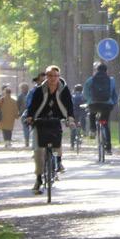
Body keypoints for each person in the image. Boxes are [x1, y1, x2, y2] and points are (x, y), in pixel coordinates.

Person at [26, 66, 74, 194]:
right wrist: (30, 117)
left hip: (56, 120)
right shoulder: (39, 90)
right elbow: (32, 105)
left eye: (55, 76)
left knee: (57, 143)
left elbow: (69, 105)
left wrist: (70, 119)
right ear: (46, 77)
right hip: (40, 121)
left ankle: (58, 162)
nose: (53, 78)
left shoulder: (64, 90)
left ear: (59, 77)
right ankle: (38, 178)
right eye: (50, 76)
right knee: (38, 151)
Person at [83, 62, 118, 153]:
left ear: (97, 70)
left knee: (92, 113)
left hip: (94, 104)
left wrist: (89, 100)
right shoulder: (111, 80)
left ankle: (93, 129)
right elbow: (114, 93)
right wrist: (113, 103)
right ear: (106, 71)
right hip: (107, 105)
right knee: (105, 124)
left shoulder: (91, 79)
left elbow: (85, 91)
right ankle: (108, 148)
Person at [17, 82, 32, 147]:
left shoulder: (20, 96)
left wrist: (19, 112)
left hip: (24, 114)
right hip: (31, 113)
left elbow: (17, 105)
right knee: (32, 128)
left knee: (25, 128)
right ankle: (31, 141)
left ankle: (27, 141)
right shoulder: (31, 94)